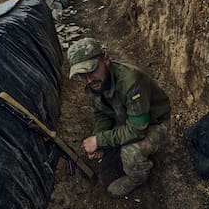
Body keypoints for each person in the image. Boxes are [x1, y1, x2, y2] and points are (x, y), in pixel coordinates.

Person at [67, 37, 171, 197]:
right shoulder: (94, 84)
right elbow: (101, 112)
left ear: (106, 59)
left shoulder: (131, 83)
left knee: (130, 153)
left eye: (92, 70)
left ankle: (137, 178)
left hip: (154, 123)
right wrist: (99, 137)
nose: (88, 79)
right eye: (82, 75)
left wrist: (100, 140)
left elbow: (138, 130)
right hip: (126, 117)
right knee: (107, 141)